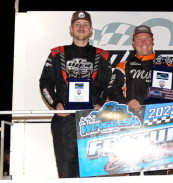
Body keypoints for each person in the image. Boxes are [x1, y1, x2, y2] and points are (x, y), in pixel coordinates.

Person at [39, 10, 112, 178]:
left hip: (93, 121)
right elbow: (45, 83)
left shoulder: (102, 56)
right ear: (70, 29)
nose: (81, 28)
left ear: (91, 29)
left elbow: (110, 85)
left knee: (93, 174)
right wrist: (56, 103)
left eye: (85, 25)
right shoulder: (57, 54)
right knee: (66, 175)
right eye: (77, 25)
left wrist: (100, 104)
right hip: (65, 122)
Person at [107, 25, 173, 175]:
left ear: (153, 41)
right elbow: (112, 90)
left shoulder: (167, 65)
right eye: (139, 39)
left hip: (161, 125)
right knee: (134, 172)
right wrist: (126, 101)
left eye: (147, 38)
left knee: (159, 172)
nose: (144, 42)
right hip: (132, 127)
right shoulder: (124, 66)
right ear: (133, 43)